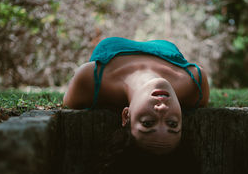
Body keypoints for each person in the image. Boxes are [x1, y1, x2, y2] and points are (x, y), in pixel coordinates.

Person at [63, 37, 210, 154]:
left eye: (147, 123)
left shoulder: (91, 79)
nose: (162, 108)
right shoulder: (195, 84)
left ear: (126, 115)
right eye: (172, 124)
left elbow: (69, 101)